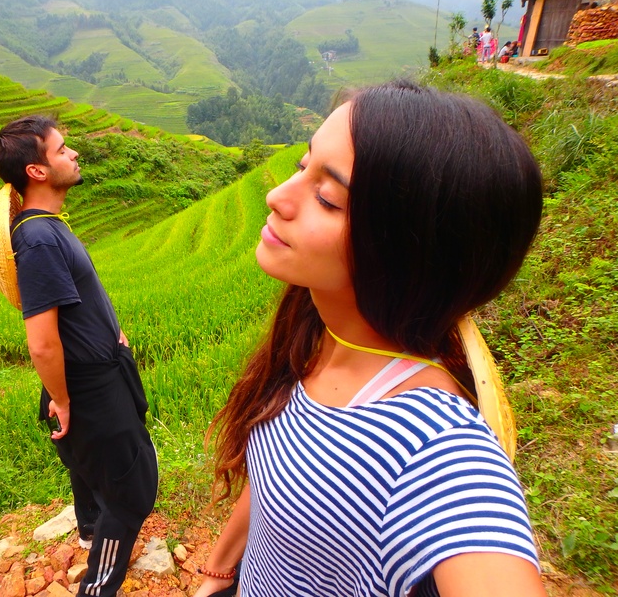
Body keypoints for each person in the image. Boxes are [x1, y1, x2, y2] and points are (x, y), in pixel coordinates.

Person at [194, 79, 546, 597]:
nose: (275, 197)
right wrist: (219, 574)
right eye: (301, 167)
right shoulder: (317, 332)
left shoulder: (432, 449)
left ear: (409, 251)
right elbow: (281, 485)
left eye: (328, 198)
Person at [0, 115, 158, 597]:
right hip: (87, 385)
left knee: (92, 465)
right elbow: (42, 340)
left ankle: (90, 530)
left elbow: (75, 301)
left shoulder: (50, 226)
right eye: (62, 150)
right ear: (38, 172)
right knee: (132, 489)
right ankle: (98, 585)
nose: (75, 154)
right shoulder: (39, 238)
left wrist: (114, 330)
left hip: (97, 370)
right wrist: (62, 400)